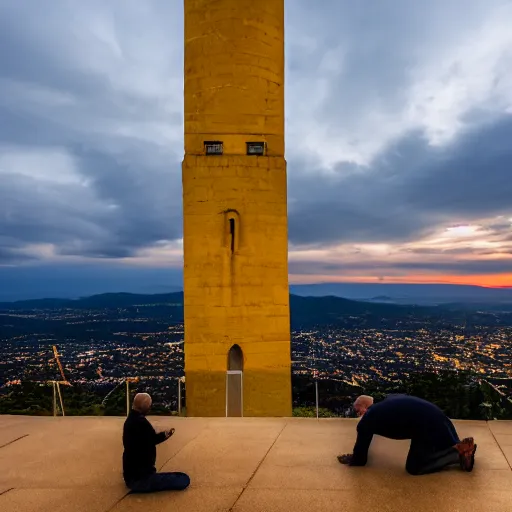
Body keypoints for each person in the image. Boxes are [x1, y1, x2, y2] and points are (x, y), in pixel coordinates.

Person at [338, 394, 477, 475]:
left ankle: (456, 453)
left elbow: (360, 459)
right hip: (438, 418)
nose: (359, 415)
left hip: (424, 427)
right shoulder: (389, 401)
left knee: (415, 468)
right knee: (425, 444)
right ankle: (461, 449)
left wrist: (353, 459)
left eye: (358, 411)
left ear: (365, 407)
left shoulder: (369, 417)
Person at [122, 392, 190, 493]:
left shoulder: (131, 420)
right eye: (149, 405)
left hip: (130, 473)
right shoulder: (141, 423)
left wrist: (163, 435)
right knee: (184, 480)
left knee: (178, 477)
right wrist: (163, 435)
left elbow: (148, 439)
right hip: (140, 477)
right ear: (145, 407)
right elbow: (152, 439)